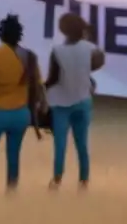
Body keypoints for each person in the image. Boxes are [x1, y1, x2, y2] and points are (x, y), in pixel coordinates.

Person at [0, 14, 43, 192]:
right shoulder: (30, 57)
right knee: (13, 156)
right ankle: (11, 194)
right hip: (21, 113)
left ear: (1, 35)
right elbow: (37, 85)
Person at [45, 12, 105, 189]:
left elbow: (53, 78)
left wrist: (43, 89)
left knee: (60, 144)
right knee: (82, 143)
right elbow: (98, 62)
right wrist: (85, 74)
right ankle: (84, 179)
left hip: (61, 102)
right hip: (83, 99)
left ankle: (57, 178)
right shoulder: (91, 49)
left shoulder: (57, 51)